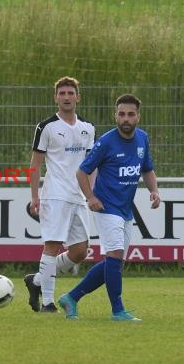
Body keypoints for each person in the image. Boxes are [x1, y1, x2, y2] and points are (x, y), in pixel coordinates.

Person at [58, 94, 160, 321]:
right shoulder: (105, 141)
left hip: (125, 209)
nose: (126, 118)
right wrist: (90, 197)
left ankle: (71, 297)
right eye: (121, 114)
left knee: (113, 263)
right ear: (115, 115)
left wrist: (154, 190)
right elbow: (82, 171)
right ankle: (118, 311)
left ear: (138, 117)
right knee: (113, 255)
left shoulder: (142, 138)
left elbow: (147, 169)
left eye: (130, 114)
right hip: (106, 207)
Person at [24, 76, 96, 312]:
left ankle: (36, 281)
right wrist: (35, 196)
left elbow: (90, 164)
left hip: (78, 197)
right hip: (55, 194)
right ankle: (47, 302)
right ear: (56, 97)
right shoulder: (46, 127)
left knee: (79, 251)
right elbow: (35, 163)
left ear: (78, 97)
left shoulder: (88, 128)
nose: (66, 97)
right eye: (62, 93)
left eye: (70, 93)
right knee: (52, 245)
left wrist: (91, 193)